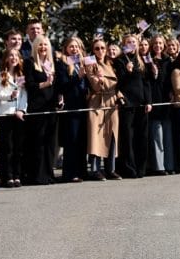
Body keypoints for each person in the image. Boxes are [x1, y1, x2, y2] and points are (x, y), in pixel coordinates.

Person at [114, 34, 152, 179]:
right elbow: (119, 83)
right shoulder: (120, 61)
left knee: (142, 136)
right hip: (128, 104)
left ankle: (141, 168)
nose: (131, 44)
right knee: (128, 138)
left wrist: (149, 101)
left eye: (133, 42)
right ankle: (130, 168)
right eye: (128, 42)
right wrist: (127, 72)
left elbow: (146, 82)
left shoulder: (141, 60)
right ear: (124, 44)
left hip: (141, 103)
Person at [22, 36, 59, 185]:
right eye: (40, 45)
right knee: (38, 142)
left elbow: (56, 86)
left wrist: (59, 99)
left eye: (45, 45)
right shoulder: (29, 63)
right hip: (37, 108)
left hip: (51, 107)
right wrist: (45, 84)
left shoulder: (51, 63)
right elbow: (29, 85)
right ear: (35, 47)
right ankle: (38, 175)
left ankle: (49, 174)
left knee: (50, 143)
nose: (43, 47)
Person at [86, 39, 122, 181]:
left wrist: (119, 96)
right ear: (92, 50)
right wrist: (100, 80)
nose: (100, 51)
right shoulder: (90, 64)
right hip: (97, 102)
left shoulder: (111, 64)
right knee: (96, 136)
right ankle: (95, 170)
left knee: (112, 135)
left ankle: (110, 169)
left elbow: (118, 85)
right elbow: (95, 85)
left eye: (102, 48)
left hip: (112, 102)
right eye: (97, 48)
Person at [55, 36, 89, 182]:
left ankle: (82, 171)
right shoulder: (62, 64)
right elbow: (63, 86)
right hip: (71, 106)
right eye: (71, 46)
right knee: (72, 140)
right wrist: (78, 77)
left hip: (84, 105)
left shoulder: (85, 62)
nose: (74, 49)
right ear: (66, 48)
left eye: (77, 46)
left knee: (82, 140)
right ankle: (71, 173)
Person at [0, 48, 27, 188]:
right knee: (7, 146)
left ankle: (17, 175)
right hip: (4, 113)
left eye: (16, 55)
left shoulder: (22, 75)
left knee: (18, 147)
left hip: (18, 114)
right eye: (10, 55)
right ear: (6, 59)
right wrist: (9, 96)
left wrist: (21, 109)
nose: (13, 58)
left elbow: (24, 95)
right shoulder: (0, 75)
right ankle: (6, 176)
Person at [146, 35, 174, 175]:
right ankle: (159, 166)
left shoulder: (168, 60)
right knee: (157, 136)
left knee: (167, 136)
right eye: (155, 43)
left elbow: (171, 81)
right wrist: (154, 75)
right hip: (154, 100)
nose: (158, 45)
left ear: (164, 45)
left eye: (160, 43)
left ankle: (169, 165)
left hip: (166, 101)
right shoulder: (148, 59)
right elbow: (147, 82)